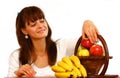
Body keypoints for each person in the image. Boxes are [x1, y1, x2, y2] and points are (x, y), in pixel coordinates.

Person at [7, 6, 100, 77]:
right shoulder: (16, 56)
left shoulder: (62, 46)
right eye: (33, 24)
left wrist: (87, 22)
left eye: (42, 21)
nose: (40, 26)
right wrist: (17, 75)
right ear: (24, 30)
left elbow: (91, 43)